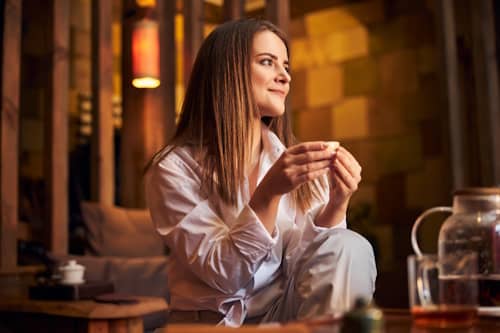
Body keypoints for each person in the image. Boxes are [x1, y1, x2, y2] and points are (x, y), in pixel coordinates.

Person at [144, 18, 376, 327]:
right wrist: (269, 193)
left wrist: (336, 204)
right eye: (268, 62)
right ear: (228, 73)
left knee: (349, 244)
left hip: (285, 318)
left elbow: (315, 271)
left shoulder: (295, 164)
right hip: (211, 325)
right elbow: (225, 276)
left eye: (286, 67)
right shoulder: (174, 168)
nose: (284, 76)